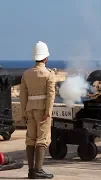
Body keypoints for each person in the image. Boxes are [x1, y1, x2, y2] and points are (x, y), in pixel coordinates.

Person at [20, 41, 56, 179]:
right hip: (42, 110)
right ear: (45, 58)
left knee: (30, 139)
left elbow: (23, 95)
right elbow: (51, 95)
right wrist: (48, 112)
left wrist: (23, 111)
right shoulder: (49, 74)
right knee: (42, 139)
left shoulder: (26, 74)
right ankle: (38, 170)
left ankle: (31, 171)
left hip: (29, 109)